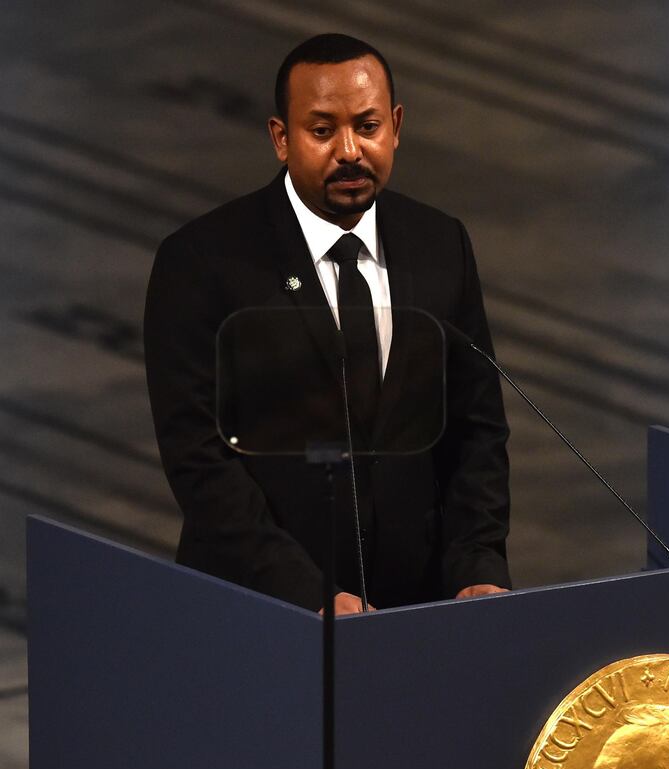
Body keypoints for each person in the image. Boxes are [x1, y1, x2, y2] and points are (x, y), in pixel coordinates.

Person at [144, 34, 511, 615]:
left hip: (418, 615)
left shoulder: (442, 244)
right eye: (322, 131)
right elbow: (199, 460)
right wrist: (303, 594)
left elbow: (478, 430)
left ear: (395, 126)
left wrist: (478, 568)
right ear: (280, 139)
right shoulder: (202, 262)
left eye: (367, 127)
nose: (349, 150)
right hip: (263, 612)